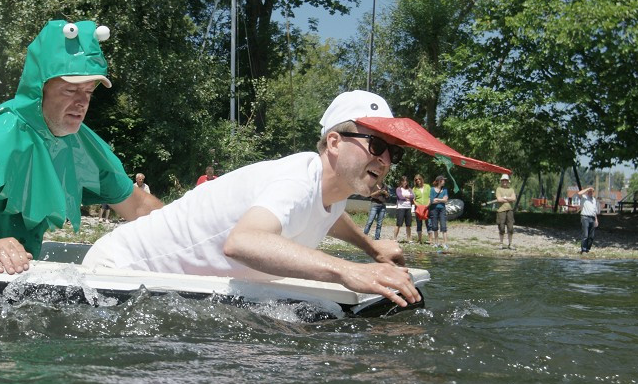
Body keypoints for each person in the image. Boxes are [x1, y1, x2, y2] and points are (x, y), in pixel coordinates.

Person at [83, 90, 432, 307]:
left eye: (393, 154)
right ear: (335, 142)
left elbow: (327, 215)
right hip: (120, 269)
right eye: (377, 146)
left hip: (171, 285)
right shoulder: (296, 180)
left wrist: (372, 248)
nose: (385, 161)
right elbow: (243, 242)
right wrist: (347, 270)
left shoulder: (330, 192)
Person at [0, 19, 163, 273]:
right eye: (70, 90)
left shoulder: (83, 148)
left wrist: (190, 230)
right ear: (39, 88)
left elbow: (139, 206)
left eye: (88, 91)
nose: (81, 102)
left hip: (16, 263)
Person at [494, 173, 516, 249]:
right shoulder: (498, 189)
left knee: (510, 228)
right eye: (503, 180)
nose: (504, 182)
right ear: (501, 181)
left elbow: (514, 198)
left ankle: (510, 244)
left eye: (506, 180)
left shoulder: (511, 189)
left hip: (510, 210)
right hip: (501, 211)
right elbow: (499, 199)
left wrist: (505, 198)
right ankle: (501, 243)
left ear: (508, 181)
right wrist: (509, 199)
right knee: (501, 227)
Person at [429, 175, 449, 249]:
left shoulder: (445, 189)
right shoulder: (432, 189)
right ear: (440, 181)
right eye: (443, 180)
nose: (444, 181)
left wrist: (437, 199)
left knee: (443, 226)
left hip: (442, 209)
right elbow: (432, 201)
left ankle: (445, 243)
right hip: (433, 209)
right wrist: (441, 199)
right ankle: (436, 243)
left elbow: (446, 200)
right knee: (434, 226)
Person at [411, 174, 432, 244]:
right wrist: (418, 206)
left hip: (427, 207)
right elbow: (413, 199)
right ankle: (419, 239)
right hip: (418, 208)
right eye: (416, 180)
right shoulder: (414, 189)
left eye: (419, 179)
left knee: (428, 223)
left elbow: (430, 197)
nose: (418, 181)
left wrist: (427, 205)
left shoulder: (427, 186)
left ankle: (430, 240)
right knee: (419, 223)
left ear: (421, 179)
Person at [578, 186, 598, 254]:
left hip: (592, 218)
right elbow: (579, 193)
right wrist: (587, 188)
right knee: (585, 235)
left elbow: (595, 211)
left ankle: (587, 249)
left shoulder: (594, 200)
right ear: (587, 192)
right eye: (589, 191)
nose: (591, 192)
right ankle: (583, 249)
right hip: (585, 217)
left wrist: (596, 220)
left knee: (591, 236)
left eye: (592, 191)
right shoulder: (584, 197)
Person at [393, 175, 413, 242]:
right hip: (401, 208)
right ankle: (395, 238)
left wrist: (405, 196)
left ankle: (409, 239)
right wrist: (407, 197)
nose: (405, 182)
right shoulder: (398, 189)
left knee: (408, 224)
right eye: (403, 181)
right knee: (398, 224)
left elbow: (412, 196)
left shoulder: (409, 189)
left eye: (406, 181)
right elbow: (400, 197)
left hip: (408, 207)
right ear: (401, 182)